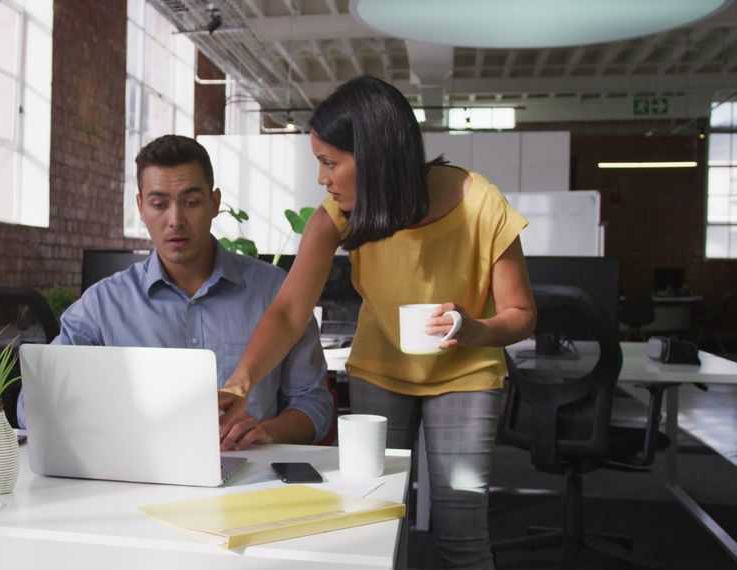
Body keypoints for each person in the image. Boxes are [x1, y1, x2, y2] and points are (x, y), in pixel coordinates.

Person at [219, 77, 536, 569]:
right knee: (374, 518)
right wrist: (241, 383)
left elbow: (521, 315)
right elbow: (287, 310)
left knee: (460, 529)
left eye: (330, 163)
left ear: (374, 154)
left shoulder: (480, 204)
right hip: (379, 369)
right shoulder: (339, 215)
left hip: (467, 375)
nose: (322, 179)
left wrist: (474, 329)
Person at [18, 134, 333, 450]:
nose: (175, 221)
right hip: (136, 475)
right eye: (159, 204)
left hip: (250, 473)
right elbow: (34, 406)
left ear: (214, 203)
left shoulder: (278, 293)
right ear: (141, 207)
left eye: (191, 202)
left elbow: (314, 402)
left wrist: (268, 433)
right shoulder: (102, 306)